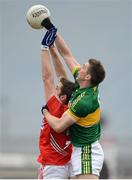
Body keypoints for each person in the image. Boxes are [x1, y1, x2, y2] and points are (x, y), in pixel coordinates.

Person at [41, 18, 106, 179]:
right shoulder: (84, 84)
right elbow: (67, 55)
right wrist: (51, 29)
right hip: (80, 150)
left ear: (88, 76)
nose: (79, 67)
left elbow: (58, 126)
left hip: (87, 150)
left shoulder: (84, 102)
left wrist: (45, 112)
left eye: (83, 67)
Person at [37, 30, 75, 179]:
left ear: (63, 96)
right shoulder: (73, 106)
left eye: (57, 89)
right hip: (71, 161)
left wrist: (44, 49)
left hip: (53, 164)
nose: (55, 89)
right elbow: (62, 77)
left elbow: (47, 78)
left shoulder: (55, 107)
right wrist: (53, 49)